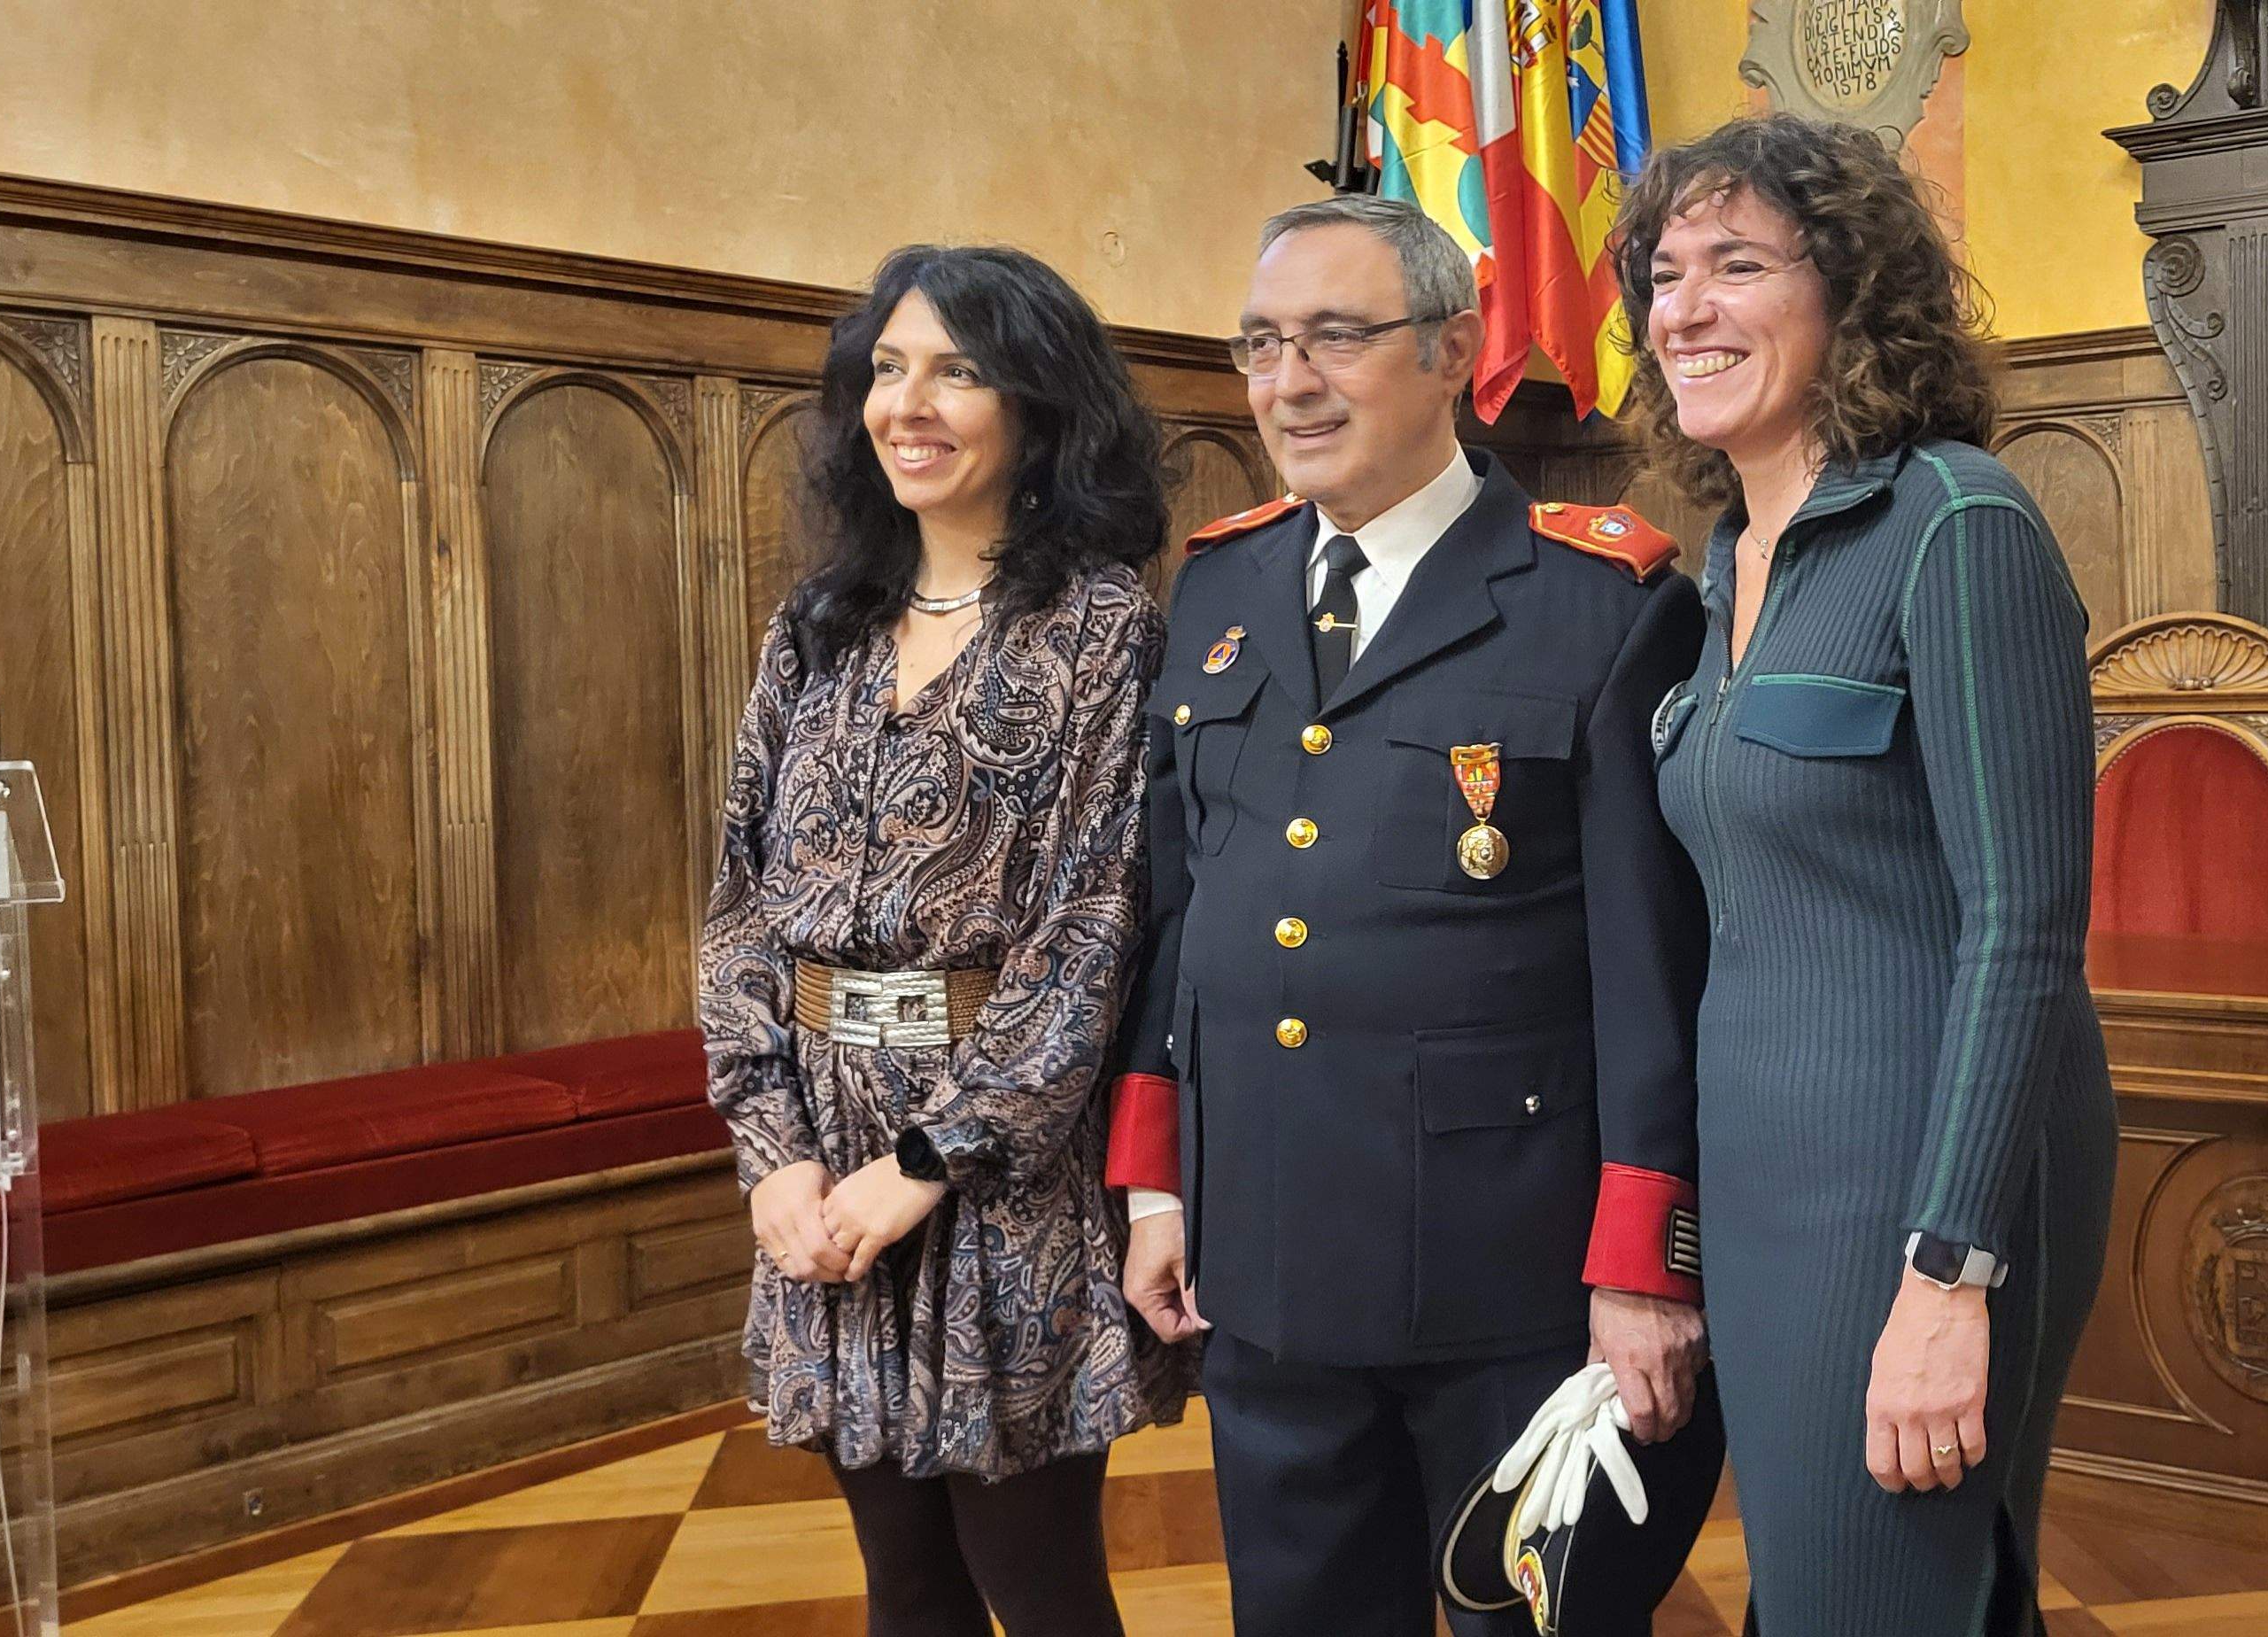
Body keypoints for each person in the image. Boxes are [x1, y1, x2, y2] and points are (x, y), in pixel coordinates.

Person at [1107, 193, 1720, 1637]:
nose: (1289, 382)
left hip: (1507, 1277)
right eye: (1262, 344)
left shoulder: (1605, 599)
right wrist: (1155, 1182)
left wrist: (1644, 1266)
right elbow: (1180, 908)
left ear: (1455, 350)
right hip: (1263, 1251)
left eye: (1335, 336)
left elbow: (1653, 970)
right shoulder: (1222, 587)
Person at [1613, 114, 2115, 1633]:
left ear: (1855, 295)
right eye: (1664, 272)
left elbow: (2024, 932)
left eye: (1739, 266)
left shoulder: (1953, 519)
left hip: (1916, 1188)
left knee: (1877, 1599)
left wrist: (1950, 1275)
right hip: (1766, 1188)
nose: (1683, 309)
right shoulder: (1717, 563)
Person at [699, 243, 1182, 1637]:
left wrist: (927, 1165)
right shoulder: (818, 625)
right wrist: (772, 1154)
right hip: (821, 1173)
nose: (909, 404)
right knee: (903, 1588)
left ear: (1039, 408)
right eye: (889, 368)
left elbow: (1099, 929)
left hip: (999, 1187)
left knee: (1036, 1590)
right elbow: (738, 903)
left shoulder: (1099, 630)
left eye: (958, 371)